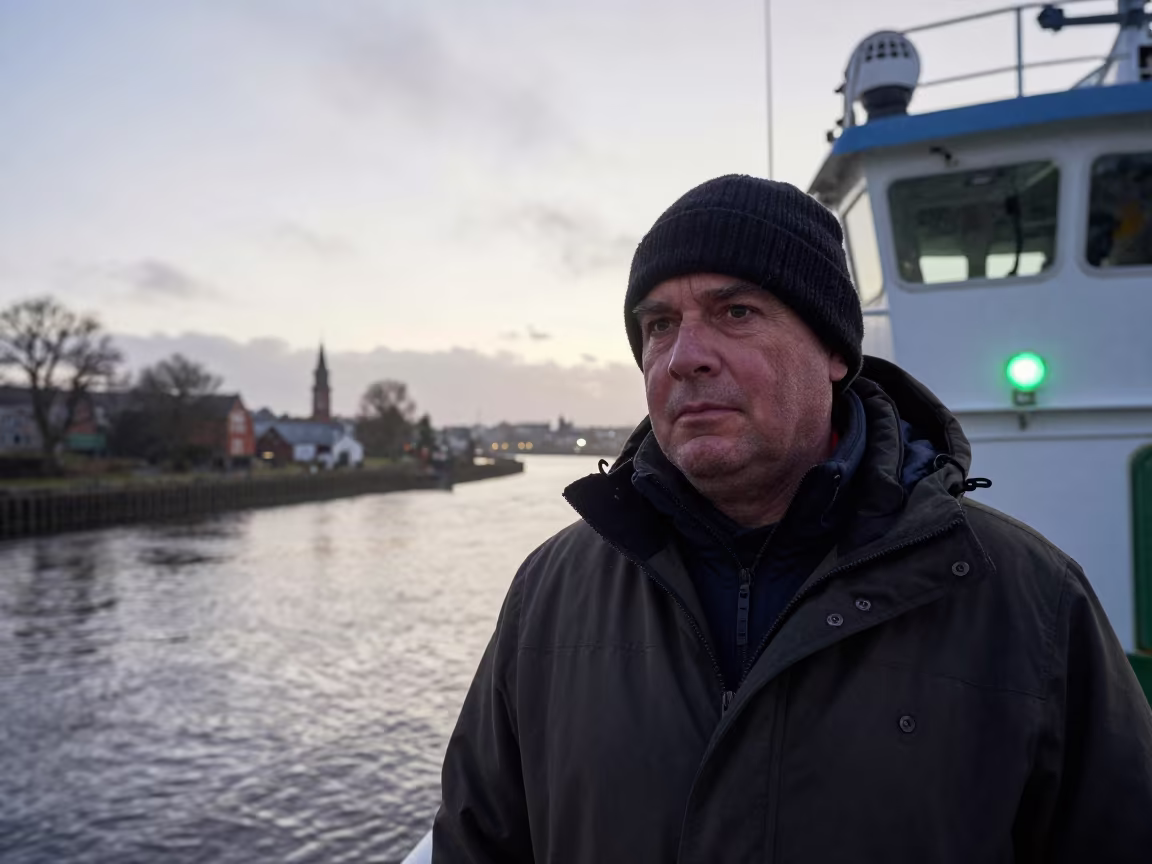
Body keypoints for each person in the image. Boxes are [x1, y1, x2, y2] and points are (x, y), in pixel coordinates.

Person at [432, 175, 1152, 863]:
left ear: (836, 350)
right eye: (658, 325)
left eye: (735, 313)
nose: (684, 357)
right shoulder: (549, 595)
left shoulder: (1031, 602)